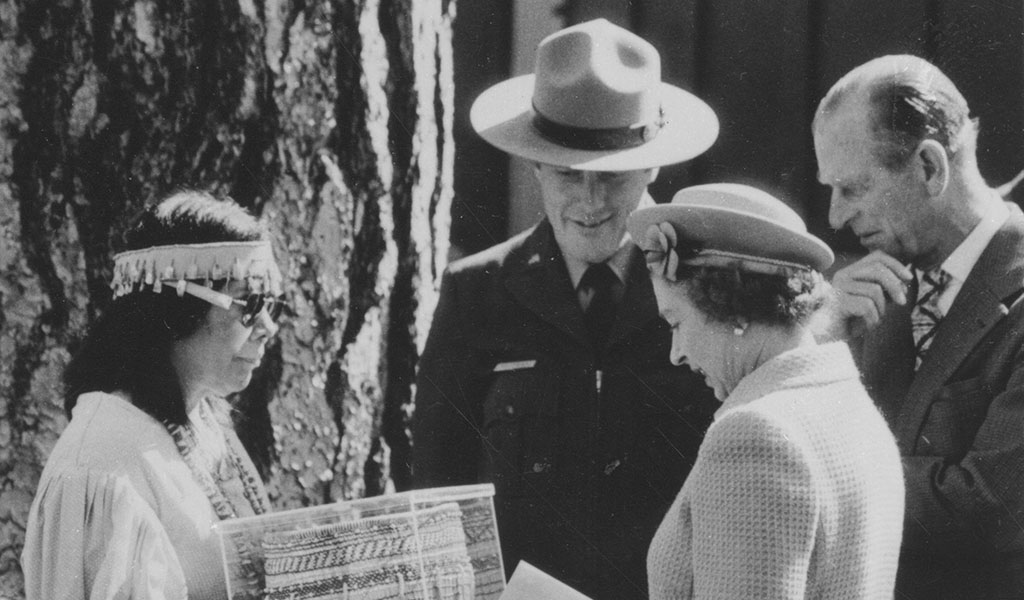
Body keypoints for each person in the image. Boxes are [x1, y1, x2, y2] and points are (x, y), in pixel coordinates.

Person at [412, 19, 720, 600]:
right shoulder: (475, 293)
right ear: (533, 165)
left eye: (612, 176)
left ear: (653, 165)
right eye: (566, 174)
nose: (591, 201)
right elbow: (439, 492)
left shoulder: (705, 288)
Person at [813, 54, 1024, 598]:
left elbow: (990, 509)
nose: (835, 217)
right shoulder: (859, 296)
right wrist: (821, 346)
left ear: (930, 167)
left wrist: (811, 473)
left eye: (854, 189)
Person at [630, 183, 905, 599]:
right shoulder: (854, 410)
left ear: (729, 305)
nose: (676, 354)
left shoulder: (756, 435)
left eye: (676, 323)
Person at [21, 191, 285, 599]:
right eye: (250, 305)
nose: (269, 327)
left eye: (272, 305)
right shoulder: (103, 464)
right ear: (176, 310)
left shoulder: (202, 421)